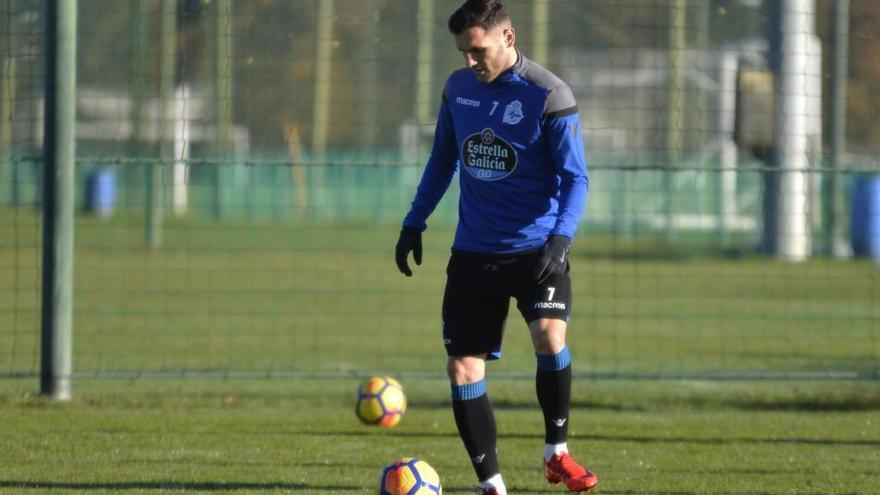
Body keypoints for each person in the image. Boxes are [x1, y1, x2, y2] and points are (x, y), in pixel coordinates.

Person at [394, 1, 595, 493]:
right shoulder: (458, 89)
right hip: (474, 254)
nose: (469, 61)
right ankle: (492, 485)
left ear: (508, 36)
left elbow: (576, 178)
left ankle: (557, 453)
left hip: (536, 251)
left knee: (550, 338)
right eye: (462, 52)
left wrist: (560, 239)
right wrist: (413, 222)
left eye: (477, 50)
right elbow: (444, 159)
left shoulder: (549, 94)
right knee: (462, 367)